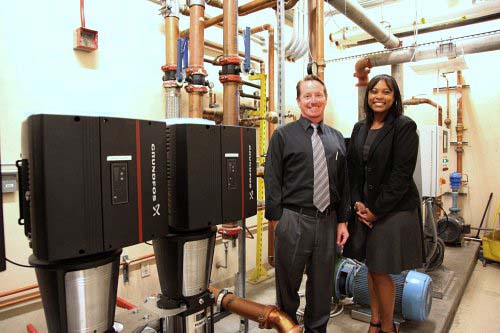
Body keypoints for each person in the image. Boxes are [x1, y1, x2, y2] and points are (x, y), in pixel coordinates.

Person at [264, 74, 350, 333]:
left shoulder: (336, 138)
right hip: (293, 219)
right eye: (307, 96)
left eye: (318, 95)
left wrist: (342, 220)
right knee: (287, 286)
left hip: (327, 221)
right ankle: (287, 328)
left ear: (325, 99)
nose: (314, 101)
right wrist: (278, 221)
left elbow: (343, 183)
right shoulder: (283, 136)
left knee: (322, 287)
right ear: (299, 101)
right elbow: (272, 178)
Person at [346, 74, 425, 333]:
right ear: (367, 96)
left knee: (380, 268)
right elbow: (354, 169)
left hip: (394, 209)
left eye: (386, 92)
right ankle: (375, 319)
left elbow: (401, 176)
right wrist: (357, 201)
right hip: (366, 208)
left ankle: (388, 326)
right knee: (371, 266)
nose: (379, 96)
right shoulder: (360, 128)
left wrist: (376, 211)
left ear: (394, 98)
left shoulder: (404, 127)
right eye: (374, 91)